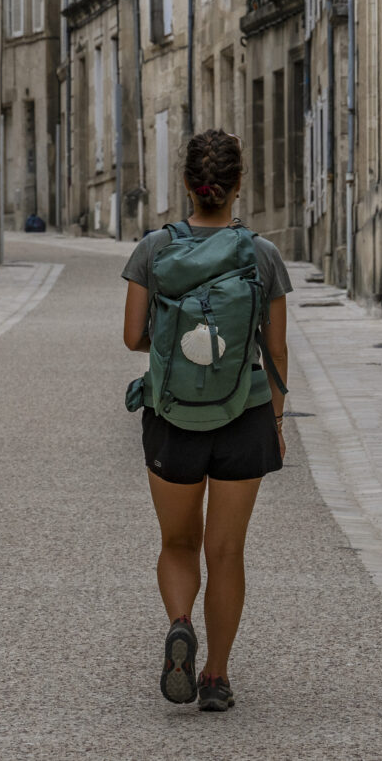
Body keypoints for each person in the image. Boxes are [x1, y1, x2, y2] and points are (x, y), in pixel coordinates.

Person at [120, 130, 292, 713]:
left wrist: (180, 343)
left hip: (171, 415)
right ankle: (216, 677)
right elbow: (276, 349)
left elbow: (132, 337)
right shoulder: (260, 255)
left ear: (188, 185)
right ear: (237, 184)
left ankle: (178, 622)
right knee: (226, 551)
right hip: (242, 414)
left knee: (177, 541)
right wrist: (277, 415)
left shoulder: (153, 250)